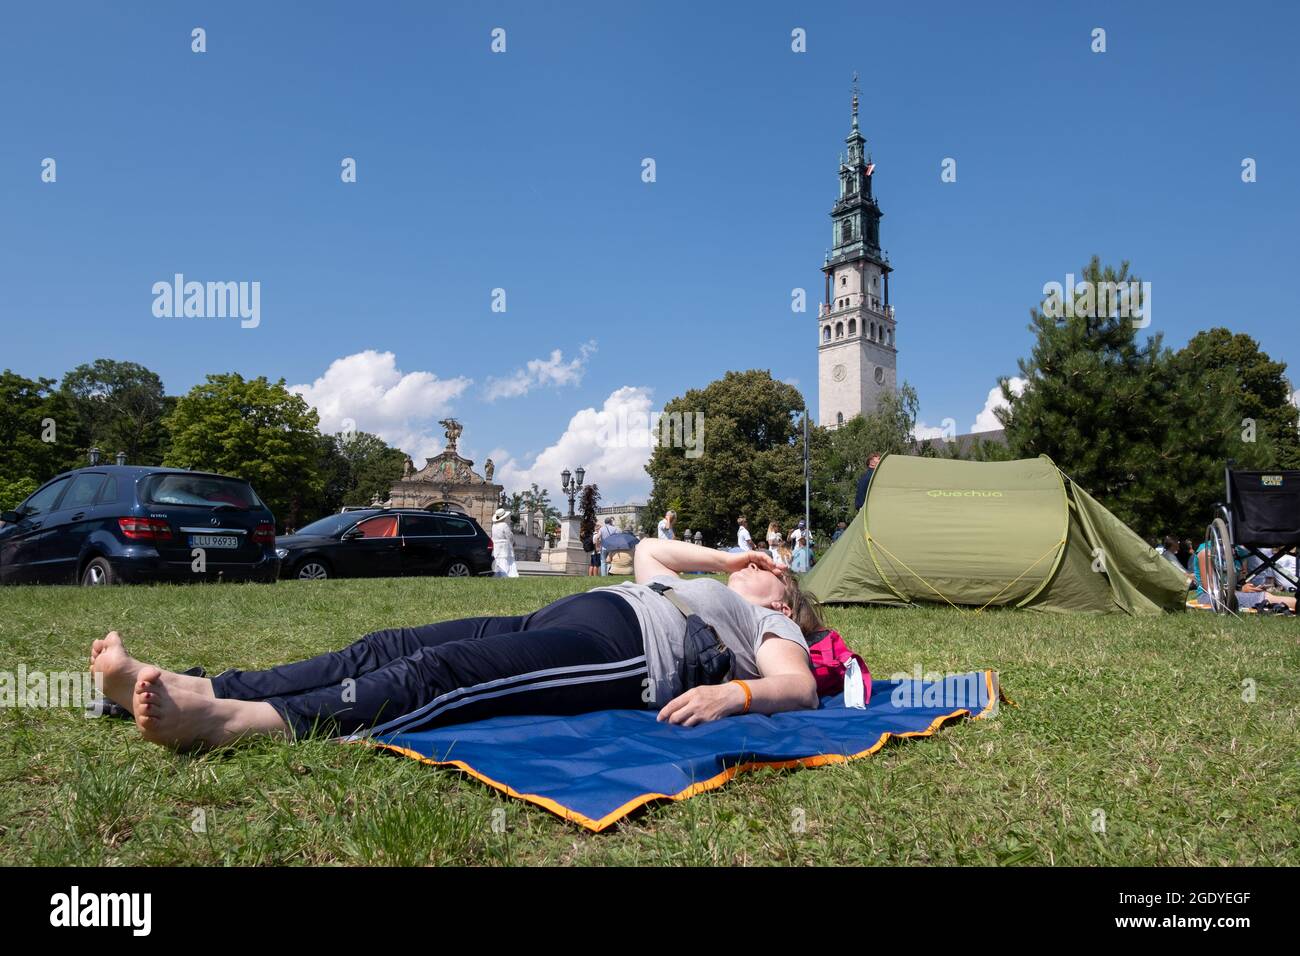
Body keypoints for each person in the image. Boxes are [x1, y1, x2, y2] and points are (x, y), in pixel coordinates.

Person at [89, 539, 823, 751]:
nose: (758, 567)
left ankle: (237, 724)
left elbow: (802, 689)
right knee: (388, 641)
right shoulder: (718, 579)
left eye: (770, 569)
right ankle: (213, 686)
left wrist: (736, 692)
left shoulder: (772, 623)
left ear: (785, 593)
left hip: (634, 654)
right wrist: (729, 560)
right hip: (569, 615)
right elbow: (652, 550)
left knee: (443, 672)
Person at [490, 507, 517, 578]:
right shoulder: (504, 525)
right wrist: (513, 543)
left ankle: (497, 575)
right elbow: (509, 536)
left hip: (496, 545)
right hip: (504, 546)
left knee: (497, 561)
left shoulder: (493, 526)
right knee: (505, 561)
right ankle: (506, 575)